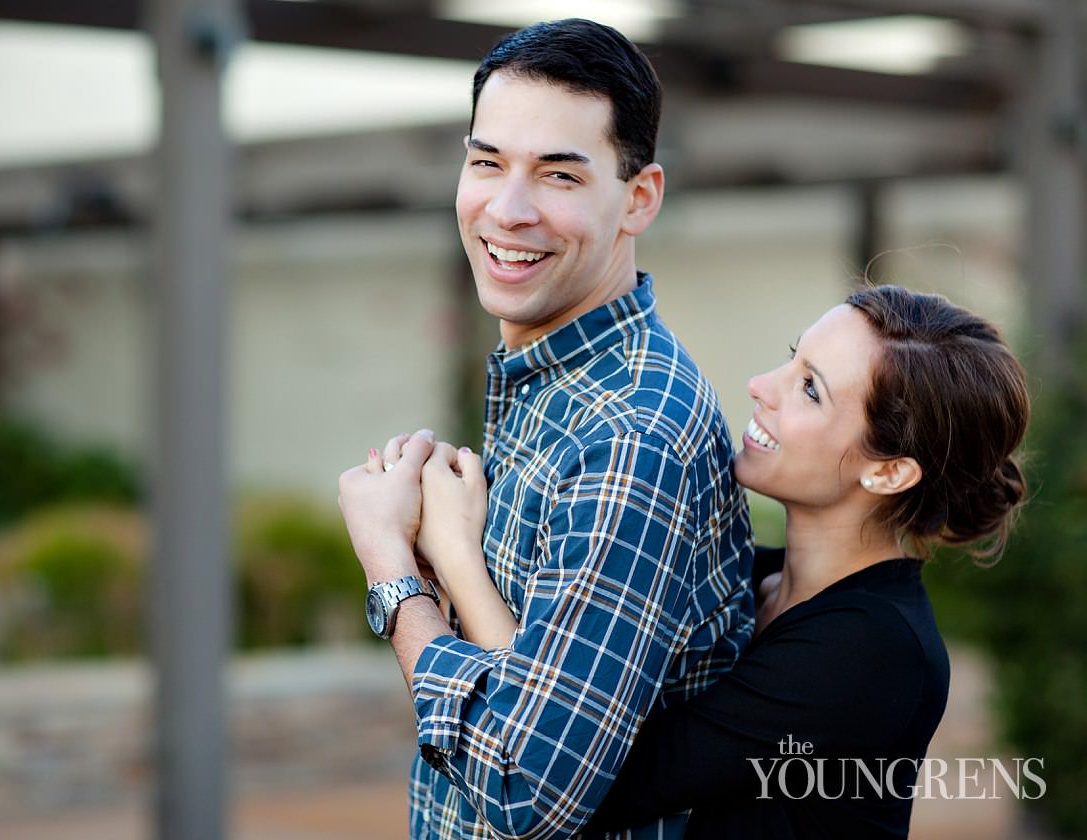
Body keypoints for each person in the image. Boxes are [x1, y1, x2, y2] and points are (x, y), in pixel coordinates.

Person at [337, 18, 753, 840]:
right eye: (486, 162)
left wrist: (393, 572)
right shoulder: (556, 385)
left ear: (640, 199)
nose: (507, 208)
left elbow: (527, 789)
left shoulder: (631, 434)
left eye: (559, 176)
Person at [413, 284, 1030, 839]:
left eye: (810, 389)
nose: (762, 385)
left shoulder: (874, 649)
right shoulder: (752, 576)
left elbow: (571, 779)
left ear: (889, 470)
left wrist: (455, 560)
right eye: (792, 358)